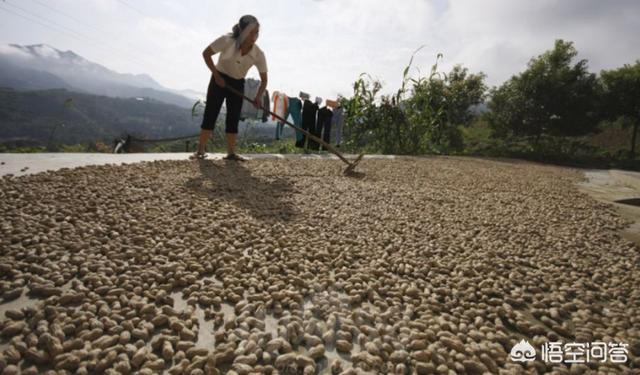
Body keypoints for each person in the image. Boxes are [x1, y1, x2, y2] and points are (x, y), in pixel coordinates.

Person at [192, 15, 268, 161]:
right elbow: (206, 53)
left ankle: (231, 153)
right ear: (241, 30)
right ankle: (200, 150)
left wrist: (258, 96)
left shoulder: (258, 54)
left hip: (238, 84)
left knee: (233, 118)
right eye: (251, 32)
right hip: (218, 79)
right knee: (211, 113)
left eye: (257, 32)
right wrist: (216, 75)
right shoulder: (227, 40)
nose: (254, 36)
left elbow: (264, 80)